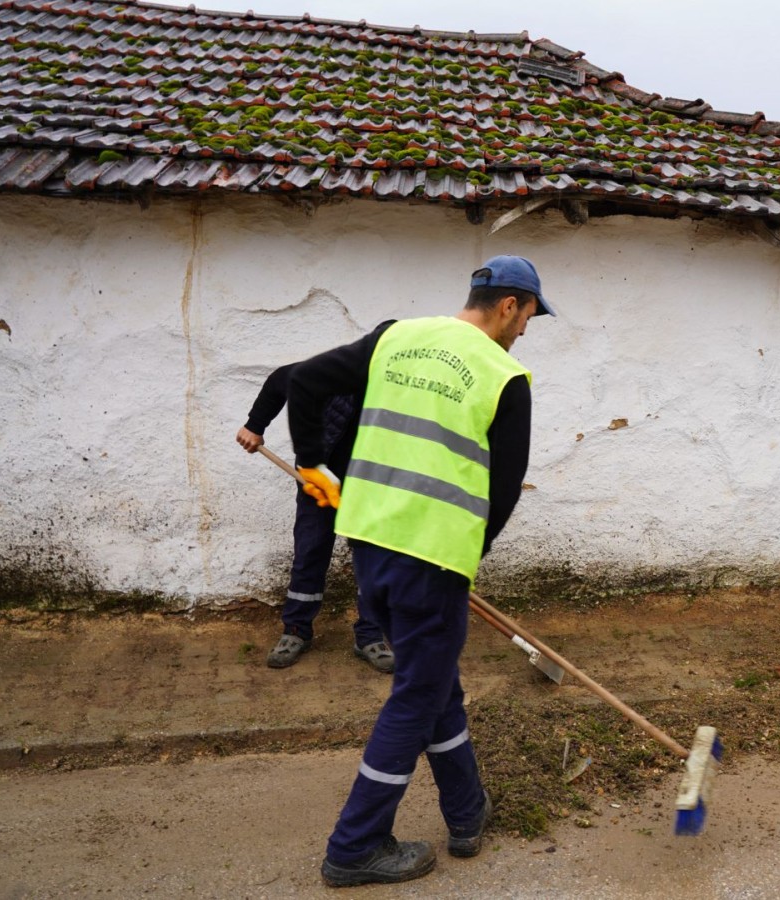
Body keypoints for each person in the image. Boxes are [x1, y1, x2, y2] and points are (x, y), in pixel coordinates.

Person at [287, 255, 555, 888]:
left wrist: (314, 467)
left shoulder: (393, 337)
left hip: (371, 547)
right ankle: (355, 845)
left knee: (432, 682)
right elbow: (505, 488)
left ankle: (466, 812)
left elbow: (302, 381)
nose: (525, 332)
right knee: (414, 698)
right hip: (432, 562)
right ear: (511, 306)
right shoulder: (505, 375)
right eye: (529, 317)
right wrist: (467, 556)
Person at [236, 367, 394, 673]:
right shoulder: (336, 370)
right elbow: (281, 379)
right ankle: (296, 630)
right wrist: (254, 426)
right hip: (319, 478)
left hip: (369, 484)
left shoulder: (409, 393)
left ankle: (370, 636)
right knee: (310, 551)